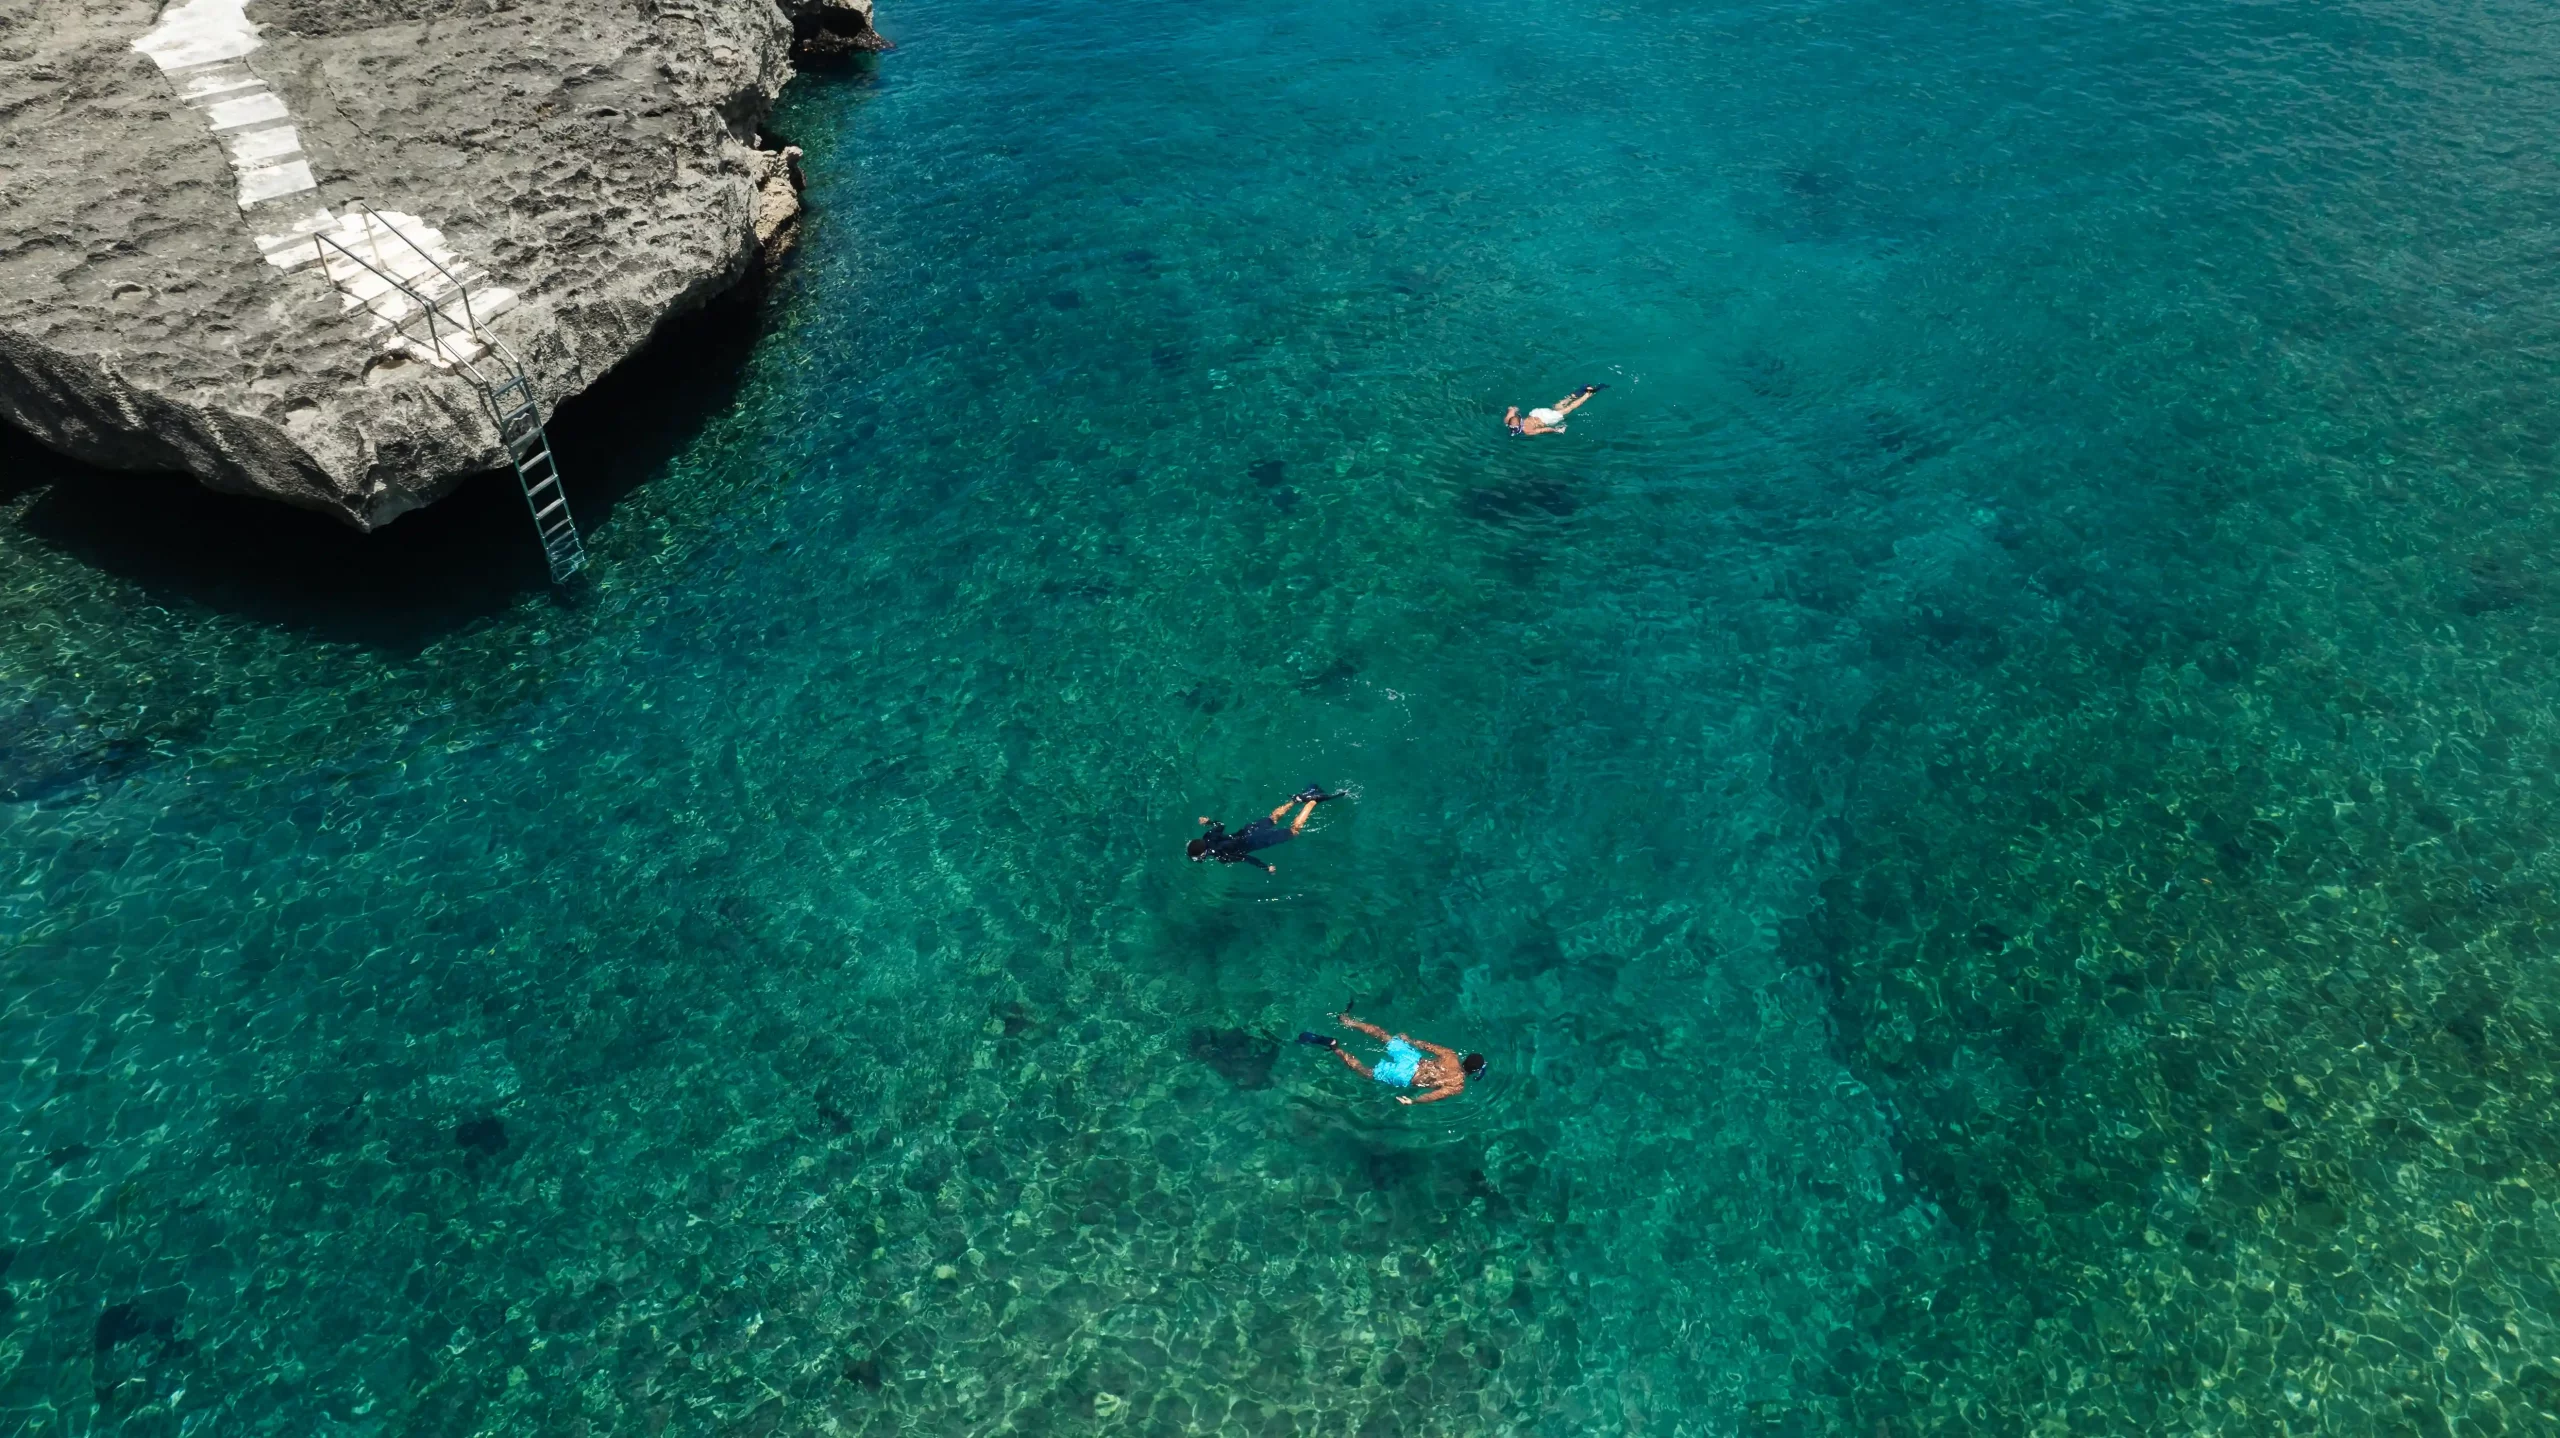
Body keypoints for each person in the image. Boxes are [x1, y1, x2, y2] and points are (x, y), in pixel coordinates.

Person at [1299, 1012, 1485, 1105]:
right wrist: (1414, 1101)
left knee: (1383, 1036)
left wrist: (1409, 1040)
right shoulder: (1458, 1085)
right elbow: (1435, 1095)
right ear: (1475, 1071)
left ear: (1465, 1058)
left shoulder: (1451, 1055)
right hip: (1406, 1076)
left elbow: (1427, 1045)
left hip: (1413, 1059)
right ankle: (1334, 1047)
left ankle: (1348, 1021)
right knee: (1365, 1071)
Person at [1189, 785, 1342, 872]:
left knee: (1294, 831)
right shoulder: (1208, 836)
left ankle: (1311, 802)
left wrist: (1264, 867)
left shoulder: (1221, 857)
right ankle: (1296, 800)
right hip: (1248, 830)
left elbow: (1245, 858)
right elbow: (1220, 825)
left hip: (1256, 840)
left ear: (1203, 855)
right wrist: (1209, 822)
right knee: (1273, 818)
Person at [1505, 383, 1607, 437]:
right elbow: (1511, 408)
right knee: (1557, 406)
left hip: (1547, 419)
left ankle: (1588, 394)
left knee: (1569, 409)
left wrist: (1558, 430)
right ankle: (1575, 394)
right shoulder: (1508, 419)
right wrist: (1514, 408)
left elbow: (1544, 429)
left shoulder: (1528, 431)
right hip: (1537, 412)